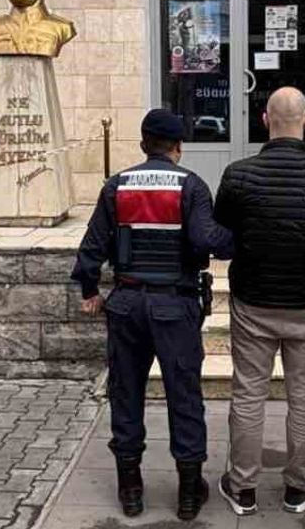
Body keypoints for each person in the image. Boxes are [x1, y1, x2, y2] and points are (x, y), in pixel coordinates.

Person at [71, 108, 233, 521]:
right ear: (178, 146)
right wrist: (237, 237)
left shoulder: (117, 185)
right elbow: (206, 240)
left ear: (144, 144)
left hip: (126, 304)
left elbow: (92, 246)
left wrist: (90, 290)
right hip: (175, 306)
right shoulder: (191, 185)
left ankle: (130, 491)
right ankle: (188, 495)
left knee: (125, 393)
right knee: (184, 395)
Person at [213, 87, 305, 516]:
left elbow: (223, 236)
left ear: (265, 120)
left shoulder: (238, 175)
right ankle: (298, 486)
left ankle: (242, 486)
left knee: (248, 393)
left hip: (253, 301)